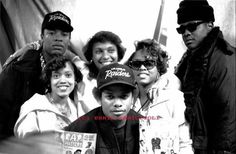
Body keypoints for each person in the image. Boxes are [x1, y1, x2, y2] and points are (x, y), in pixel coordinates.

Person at [0, 11, 74, 140]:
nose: (58, 38)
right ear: (41, 36)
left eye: (64, 34)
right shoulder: (18, 68)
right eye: (51, 33)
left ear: (69, 40)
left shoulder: (72, 74)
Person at [175, 0, 236, 153]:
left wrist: (224, 152)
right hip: (197, 144)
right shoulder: (191, 58)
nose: (186, 33)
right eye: (182, 29)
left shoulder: (222, 57)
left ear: (210, 24)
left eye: (192, 26)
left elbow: (228, 111)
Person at [126, 39, 193, 153]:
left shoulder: (174, 99)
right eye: (137, 64)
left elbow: (184, 145)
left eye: (149, 63)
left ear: (159, 67)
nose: (142, 68)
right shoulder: (125, 100)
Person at [65, 63, 141, 154]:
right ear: (99, 98)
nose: (117, 103)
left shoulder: (145, 127)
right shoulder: (78, 130)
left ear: (132, 98)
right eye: (110, 97)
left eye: (124, 96)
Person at [14, 56, 83, 138]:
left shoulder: (77, 108)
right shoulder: (33, 106)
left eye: (68, 75)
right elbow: (27, 145)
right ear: (49, 81)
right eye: (56, 76)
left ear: (75, 81)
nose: (63, 80)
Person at [78, 31, 126, 112]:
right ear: (91, 56)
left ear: (118, 54)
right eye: (99, 51)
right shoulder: (83, 75)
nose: (105, 56)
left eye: (111, 51)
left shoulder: (126, 78)